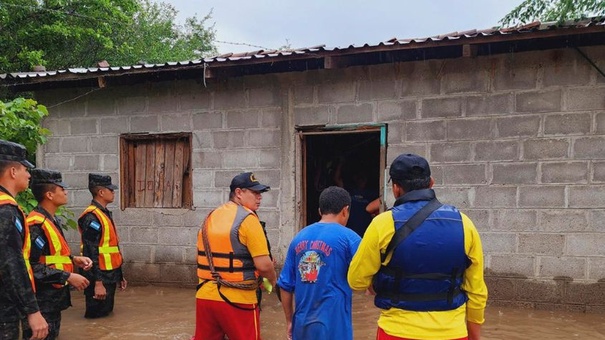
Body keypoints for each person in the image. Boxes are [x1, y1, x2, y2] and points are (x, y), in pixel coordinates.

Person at [347, 153, 488, 340]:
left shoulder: (382, 224)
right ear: (432, 183)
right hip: (452, 333)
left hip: (396, 333)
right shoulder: (465, 224)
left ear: (396, 189)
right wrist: (473, 336)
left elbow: (356, 281)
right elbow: (477, 291)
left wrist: (376, 283)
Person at [194, 172, 277, 340]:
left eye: (260, 193)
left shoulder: (211, 216)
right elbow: (264, 266)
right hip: (238, 300)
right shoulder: (248, 219)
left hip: (205, 297)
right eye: (255, 193)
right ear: (238, 193)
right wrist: (274, 281)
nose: (259, 197)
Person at [277, 186, 361, 340]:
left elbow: (285, 285)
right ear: (345, 210)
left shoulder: (298, 238)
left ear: (319, 211)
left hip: (302, 324)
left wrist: (290, 321)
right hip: (335, 326)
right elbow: (367, 275)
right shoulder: (350, 238)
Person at [23, 169, 93, 339]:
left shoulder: (52, 220)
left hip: (53, 299)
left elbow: (49, 255)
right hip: (41, 301)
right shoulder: (36, 225)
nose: (66, 192)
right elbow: (32, 266)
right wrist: (67, 276)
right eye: (61, 189)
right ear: (49, 195)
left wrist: (73, 259)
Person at [0, 140, 48, 340]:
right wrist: (32, 310)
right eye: (25, 170)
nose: (29, 175)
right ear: (13, 171)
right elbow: (11, 263)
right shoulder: (6, 210)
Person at [78, 173, 126, 319]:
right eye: (110, 190)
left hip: (110, 274)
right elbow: (90, 251)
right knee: (96, 318)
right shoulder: (91, 217)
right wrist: (97, 283)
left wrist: (120, 276)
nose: (113, 193)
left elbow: (112, 248)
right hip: (99, 276)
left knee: (106, 316)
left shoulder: (103, 213)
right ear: (101, 192)